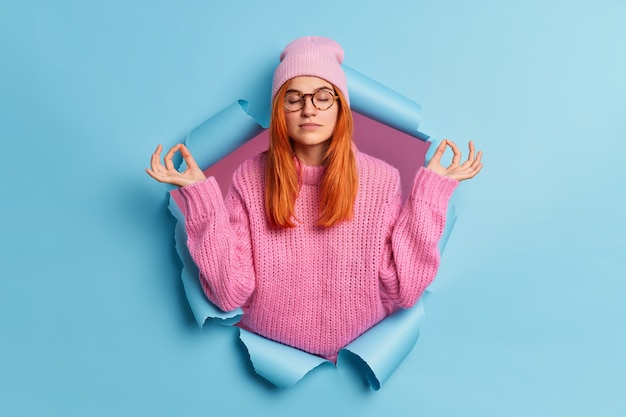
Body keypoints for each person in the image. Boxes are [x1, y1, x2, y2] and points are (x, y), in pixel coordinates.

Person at [146, 36, 483, 362]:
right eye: (294, 98)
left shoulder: (381, 179)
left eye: (323, 97)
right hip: (266, 361)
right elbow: (228, 292)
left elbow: (404, 290)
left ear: (341, 108)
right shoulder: (250, 178)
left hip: (355, 366)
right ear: (281, 112)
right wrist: (201, 199)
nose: (309, 109)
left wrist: (430, 194)